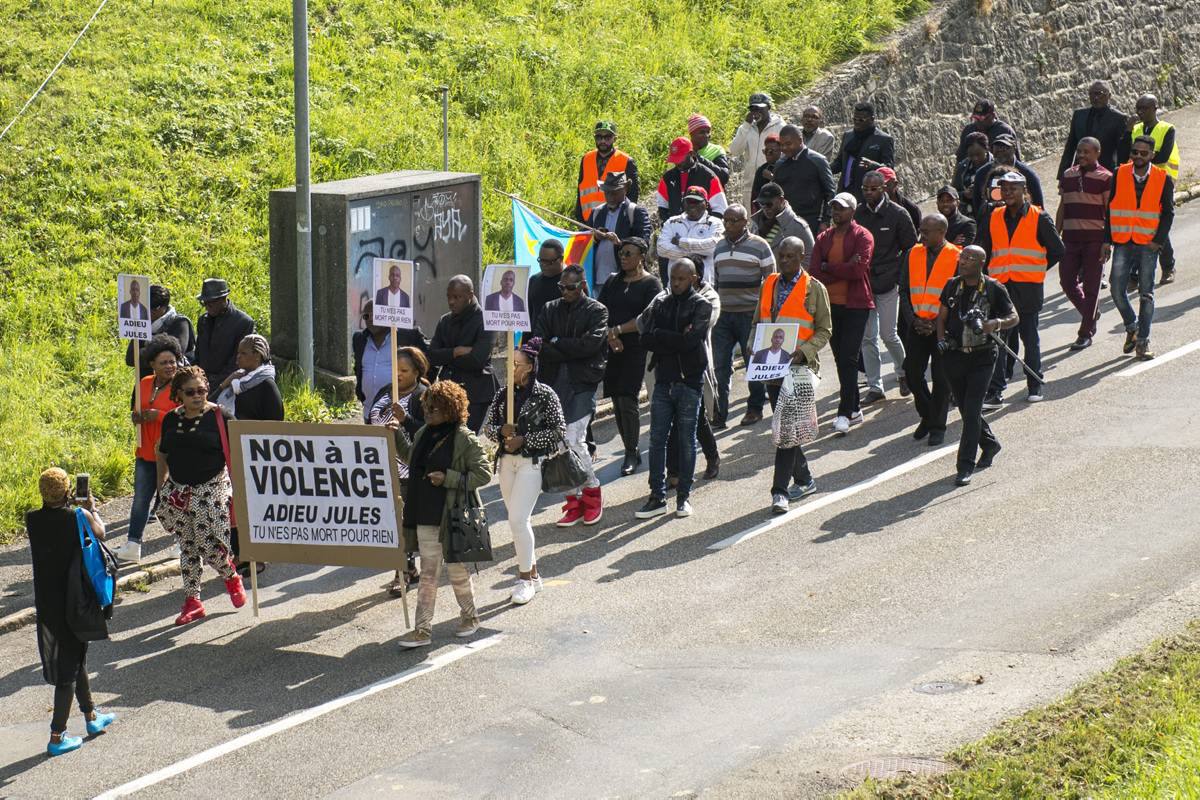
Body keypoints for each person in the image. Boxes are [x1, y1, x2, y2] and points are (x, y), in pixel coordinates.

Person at [27, 468, 118, 756]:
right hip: (75, 600)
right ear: (68, 491)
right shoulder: (78, 516)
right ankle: (57, 736)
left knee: (76, 657)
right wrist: (91, 507)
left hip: (47, 602)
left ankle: (91, 717)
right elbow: (102, 534)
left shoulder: (33, 520)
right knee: (68, 669)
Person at [394, 381, 490, 648]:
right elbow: (410, 457)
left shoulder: (464, 438)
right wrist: (397, 433)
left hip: (453, 515)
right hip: (424, 512)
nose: (427, 412)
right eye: (426, 406)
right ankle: (422, 630)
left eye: (434, 408)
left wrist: (448, 478)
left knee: (458, 572)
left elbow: (484, 473)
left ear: (450, 409)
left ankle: (470, 617)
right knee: (428, 574)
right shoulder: (425, 432)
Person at [155, 366, 246, 625]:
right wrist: (161, 489)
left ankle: (230, 575)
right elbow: (161, 453)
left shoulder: (221, 416)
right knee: (188, 546)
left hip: (213, 487)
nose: (198, 396)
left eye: (202, 390)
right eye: (191, 392)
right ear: (178, 394)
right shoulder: (171, 419)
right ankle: (192, 601)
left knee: (210, 544)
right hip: (179, 491)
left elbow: (242, 449)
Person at [484, 339, 566, 605]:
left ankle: (524, 580)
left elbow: (558, 432)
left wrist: (526, 440)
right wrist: (500, 432)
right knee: (520, 521)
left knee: (517, 520)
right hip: (506, 463)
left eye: (517, 365)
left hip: (532, 463)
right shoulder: (502, 395)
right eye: (510, 364)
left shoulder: (546, 395)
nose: (512, 369)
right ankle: (534, 573)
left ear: (530, 368)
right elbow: (488, 428)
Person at [755, 236, 832, 513]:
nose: (784, 260)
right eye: (781, 256)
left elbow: (825, 330)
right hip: (772, 368)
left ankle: (779, 491)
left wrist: (804, 352)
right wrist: (755, 348)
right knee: (786, 424)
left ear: (802, 257)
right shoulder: (769, 284)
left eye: (790, 256)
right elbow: (758, 323)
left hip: (799, 368)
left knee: (785, 427)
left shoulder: (815, 289)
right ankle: (805, 478)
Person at [634, 260, 713, 519]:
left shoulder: (702, 305)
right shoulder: (661, 303)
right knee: (657, 439)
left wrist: (662, 336)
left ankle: (683, 497)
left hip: (689, 381)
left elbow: (692, 341)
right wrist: (674, 336)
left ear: (693, 278)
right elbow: (644, 337)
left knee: (687, 439)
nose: (675, 283)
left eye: (681, 278)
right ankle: (657, 496)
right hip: (664, 380)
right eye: (672, 278)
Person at [979, 172, 1064, 407]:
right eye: (1004, 189)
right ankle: (995, 391)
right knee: (998, 339)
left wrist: (1038, 269)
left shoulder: (1039, 217)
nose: (1007, 193)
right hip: (1000, 287)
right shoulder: (993, 216)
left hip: (1028, 287)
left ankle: (1034, 383)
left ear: (1024, 190)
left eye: (1013, 189)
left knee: (1029, 337)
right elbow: (983, 249)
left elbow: (1057, 250)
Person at [937, 246, 1019, 486]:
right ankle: (990, 444)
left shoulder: (994, 288)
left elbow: (1014, 317)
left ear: (982, 263)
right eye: (962, 257)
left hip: (982, 357)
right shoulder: (952, 285)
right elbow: (940, 317)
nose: (963, 261)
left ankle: (965, 466)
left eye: (970, 258)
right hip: (954, 356)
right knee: (965, 410)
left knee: (972, 411)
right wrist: (941, 340)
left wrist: (995, 324)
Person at [533, 264, 608, 526]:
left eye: (571, 288)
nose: (565, 291)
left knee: (575, 440)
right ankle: (572, 502)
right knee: (558, 444)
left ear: (583, 285)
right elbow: (539, 342)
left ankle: (592, 493)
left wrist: (558, 343)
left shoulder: (597, 310)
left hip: (582, 382)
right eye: (561, 287)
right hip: (554, 382)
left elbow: (591, 346)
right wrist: (563, 347)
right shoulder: (550, 308)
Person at [809, 192, 874, 435]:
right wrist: (838, 268)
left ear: (852, 211)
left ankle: (845, 412)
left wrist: (830, 267)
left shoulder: (862, 236)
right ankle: (854, 408)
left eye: (842, 208)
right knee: (842, 359)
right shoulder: (823, 237)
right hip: (830, 306)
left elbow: (858, 271)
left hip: (856, 304)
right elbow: (815, 272)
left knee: (848, 357)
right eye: (834, 208)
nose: (836, 212)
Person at [116, 334, 183, 564]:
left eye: (172, 361)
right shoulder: (143, 382)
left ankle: (182, 543)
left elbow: (185, 418)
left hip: (172, 454)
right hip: (145, 450)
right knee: (141, 500)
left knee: (175, 498)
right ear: (152, 364)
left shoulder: (182, 386)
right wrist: (137, 417)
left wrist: (159, 416)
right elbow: (137, 408)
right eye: (163, 362)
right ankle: (133, 544)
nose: (169, 366)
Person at [599, 238, 662, 475]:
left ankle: (631, 451)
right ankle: (630, 448)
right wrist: (609, 334)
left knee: (628, 398)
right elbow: (601, 309)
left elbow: (646, 317)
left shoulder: (651, 284)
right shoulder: (613, 281)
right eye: (621, 253)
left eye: (628, 253)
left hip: (636, 348)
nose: (623, 257)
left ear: (641, 256)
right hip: (612, 346)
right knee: (616, 398)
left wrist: (618, 331)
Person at [369, 346, 428, 597]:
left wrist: (405, 420)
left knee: (401, 525)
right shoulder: (386, 392)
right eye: (395, 370)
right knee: (390, 523)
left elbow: (427, 434)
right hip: (380, 469)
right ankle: (409, 568)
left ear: (417, 371)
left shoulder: (423, 396)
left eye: (404, 370)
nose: (399, 375)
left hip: (406, 471)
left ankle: (401, 572)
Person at [1109, 136, 1174, 360]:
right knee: (1116, 290)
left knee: (1146, 294)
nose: (1138, 156)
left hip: (1148, 243)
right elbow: (1109, 207)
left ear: (1152, 155)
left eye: (1143, 153)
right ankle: (1131, 327)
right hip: (1123, 241)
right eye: (1135, 152)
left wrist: (1159, 241)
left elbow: (1167, 213)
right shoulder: (1119, 174)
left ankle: (1143, 342)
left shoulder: (1163, 178)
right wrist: (1106, 240)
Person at [899, 215, 961, 447]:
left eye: (926, 231)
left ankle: (937, 426)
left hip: (942, 328)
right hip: (917, 326)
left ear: (942, 232)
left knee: (941, 378)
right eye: (920, 230)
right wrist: (913, 320)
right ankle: (928, 415)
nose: (921, 235)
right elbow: (904, 290)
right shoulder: (912, 253)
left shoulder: (956, 256)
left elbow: (958, 298)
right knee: (913, 375)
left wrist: (938, 324)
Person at [856, 170, 917, 403]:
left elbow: (911, 250)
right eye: (865, 188)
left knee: (888, 334)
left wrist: (897, 275)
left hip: (889, 282)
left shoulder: (898, 214)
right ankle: (875, 386)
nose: (868, 192)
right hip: (864, 283)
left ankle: (903, 372)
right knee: (867, 337)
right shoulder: (858, 214)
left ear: (884, 188)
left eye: (873, 188)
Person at [712, 204, 775, 428]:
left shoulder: (760, 246)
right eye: (725, 221)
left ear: (745, 222)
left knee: (753, 363)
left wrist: (766, 316)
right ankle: (720, 411)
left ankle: (755, 408)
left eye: (733, 221)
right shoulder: (718, 247)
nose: (728, 225)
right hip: (723, 315)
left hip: (750, 315)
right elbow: (716, 281)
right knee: (720, 364)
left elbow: (771, 282)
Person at [1055, 137, 1113, 351]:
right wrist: (1055, 233)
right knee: (1066, 281)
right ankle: (1091, 313)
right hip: (1069, 239)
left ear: (1097, 153)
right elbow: (1063, 206)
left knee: (1091, 287)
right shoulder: (1068, 175)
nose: (1081, 156)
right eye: (1079, 152)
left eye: (1086, 152)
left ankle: (1085, 331)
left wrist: (1107, 241)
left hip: (1095, 240)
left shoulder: (1106, 177)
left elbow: (1110, 212)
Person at [428, 276, 499, 432]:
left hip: (476, 394)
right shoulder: (445, 320)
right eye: (449, 296)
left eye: (457, 297)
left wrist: (446, 357)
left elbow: (477, 360)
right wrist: (456, 351)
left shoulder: (487, 320)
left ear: (470, 295)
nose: (451, 301)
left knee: (465, 440)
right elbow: (432, 356)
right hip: (448, 392)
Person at [1129, 94, 1179, 284]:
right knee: (1138, 224)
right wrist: (1127, 133)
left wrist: (1139, 156)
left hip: (1161, 181)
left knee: (1158, 225)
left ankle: (1167, 266)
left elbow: (1162, 156)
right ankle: (1134, 274)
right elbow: (1127, 151)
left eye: (1144, 108)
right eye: (1137, 108)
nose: (1140, 112)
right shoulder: (1135, 129)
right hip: (1138, 180)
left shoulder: (1167, 129)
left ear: (1155, 108)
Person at [353, 301, 428, 421]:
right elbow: (358, 369)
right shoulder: (359, 339)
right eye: (366, 316)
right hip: (370, 413)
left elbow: (428, 361)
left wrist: (420, 387)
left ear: (387, 314)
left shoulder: (407, 335)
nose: (371, 319)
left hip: (401, 415)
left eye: (375, 314)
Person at [585, 171, 652, 290]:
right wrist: (596, 238)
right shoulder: (596, 212)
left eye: (615, 192)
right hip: (598, 279)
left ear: (625, 189)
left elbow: (643, 243)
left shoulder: (635, 212)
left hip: (626, 279)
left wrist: (621, 244)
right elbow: (582, 241)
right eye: (607, 193)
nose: (610, 197)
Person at [194, 278, 255, 400]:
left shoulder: (243, 322)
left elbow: (237, 361)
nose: (207, 307)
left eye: (210, 303)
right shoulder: (203, 320)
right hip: (201, 382)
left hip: (228, 384)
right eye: (204, 303)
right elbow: (199, 354)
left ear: (223, 299)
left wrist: (217, 385)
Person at [770, 124, 834, 233]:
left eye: (788, 144)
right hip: (784, 221)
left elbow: (830, 193)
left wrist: (826, 221)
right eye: (782, 145)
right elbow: (774, 193)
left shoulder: (818, 161)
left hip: (811, 221)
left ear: (800, 140)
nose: (784, 148)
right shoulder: (780, 164)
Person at [656, 186, 725, 285]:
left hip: (704, 286)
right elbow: (661, 248)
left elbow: (714, 246)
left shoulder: (715, 222)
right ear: (683, 203)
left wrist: (681, 242)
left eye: (696, 202)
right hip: (675, 286)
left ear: (706, 204)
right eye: (689, 201)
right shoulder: (672, 222)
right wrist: (694, 255)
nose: (692, 205)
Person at [1058, 80, 1128, 178]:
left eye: (1099, 94)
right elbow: (1070, 147)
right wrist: (1062, 176)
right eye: (1091, 94)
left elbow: (1122, 151)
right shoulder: (1079, 115)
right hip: (1079, 172)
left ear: (1109, 95)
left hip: (1106, 173)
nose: (1095, 97)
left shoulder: (1119, 118)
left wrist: (1120, 177)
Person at [125, 285, 196, 378]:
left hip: (173, 385)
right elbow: (131, 358)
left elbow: (175, 354)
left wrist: (146, 350)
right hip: (145, 383)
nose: (148, 312)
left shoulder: (180, 323)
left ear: (161, 308)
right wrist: (160, 349)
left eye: (152, 309)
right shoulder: (142, 325)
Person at [575, 120, 638, 222]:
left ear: (615, 139)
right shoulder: (586, 159)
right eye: (599, 137)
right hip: (588, 221)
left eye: (607, 137)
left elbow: (633, 195)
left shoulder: (627, 161)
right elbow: (580, 189)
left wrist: (625, 220)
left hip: (614, 221)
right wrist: (579, 217)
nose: (603, 141)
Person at [728, 93, 785, 206]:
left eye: (759, 108)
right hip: (750, 185)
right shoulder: (746, 128)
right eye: (753, 108)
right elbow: (735, 151)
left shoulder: (781, 127)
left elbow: (785, 154)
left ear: (768, 108)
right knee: (752, 220)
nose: (756, 112)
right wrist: (746, 126)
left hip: (772, 182)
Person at [831, 101, 895, 202]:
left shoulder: (884, 139)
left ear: (872, 119)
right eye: (854, 119)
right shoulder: (848, 136)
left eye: (861, 120)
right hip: (845, 193)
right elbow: (839, 163)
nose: (857, 122)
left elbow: (889, 169)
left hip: (867, 195)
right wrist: (823, 168)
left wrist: (874, 166)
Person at [655, 137, 728, 224]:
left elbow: (720, 209)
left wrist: (706, 227)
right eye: (675, 159)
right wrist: (670, 227)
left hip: (703, 232)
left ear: (692, 154)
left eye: (680, 159)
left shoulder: (709, 176)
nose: (677, 163)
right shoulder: (667, 178)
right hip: (675, 230)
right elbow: (662, 207)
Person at [751, 182, 815, 261]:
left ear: (781, 200)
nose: (765, 208)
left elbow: (810, 258)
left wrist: (790, 272)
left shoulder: (798, 226)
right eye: (761, 203)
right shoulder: (756, 224)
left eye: (769, 204)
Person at [988, 134, 1044, 208]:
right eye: (997, 147)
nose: (1001, 150)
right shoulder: (983, 173)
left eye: (1006, 147)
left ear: (1014, 149)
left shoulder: (1028, 174)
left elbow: (1039, 206)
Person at [955, 99, 1020, 162]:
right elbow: (960, 159)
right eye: (976, 118)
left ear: (993, 115)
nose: (979, 122)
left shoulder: (1005, 130)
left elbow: (1016, 161)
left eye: (982, 118)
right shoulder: (968, 130)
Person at [953, 131, 993, 221]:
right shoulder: (963, 167)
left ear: (986, 149)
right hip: (969, 216)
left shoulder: (996, 166)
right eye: (971, 155)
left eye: (979, 154)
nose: (975, 158)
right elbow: (953, 192)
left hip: (991, 214)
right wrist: (964, 194)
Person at [529, 239, 566, 330]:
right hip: (536, 340)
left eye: (548, 262)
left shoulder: (572, 282)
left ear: (561, 259)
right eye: (541, 260)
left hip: (562, 341)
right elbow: (529, 315)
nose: (543, 265)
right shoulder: (534, 280)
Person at [688, 114, 730, 187]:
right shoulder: (684, 150)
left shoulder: (716, 150)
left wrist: (699, 158)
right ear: (692, 134)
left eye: (708, 132)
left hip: (712, 196)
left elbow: (724, 176)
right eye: (702, 132)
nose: (707, 135)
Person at [876, 166, 921, 233]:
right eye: (878, 186)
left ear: (895, 184)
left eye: (886, 185)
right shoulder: (869, 209)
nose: (882, 189)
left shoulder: (911, 209)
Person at [749, 134, 782, 212]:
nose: (768, 154)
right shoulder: (761, 169)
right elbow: (754, 197)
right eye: (766, 151)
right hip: (764, 213)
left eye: (771, 151)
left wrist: (772, 178)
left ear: (780, 150)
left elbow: (789, 189)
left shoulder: (786, 167)